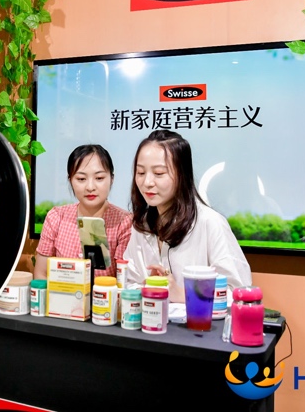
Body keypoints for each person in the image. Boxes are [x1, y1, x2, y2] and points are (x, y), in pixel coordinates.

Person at [123, 130, 251, 303]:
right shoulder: (142, 225)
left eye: (159, 173)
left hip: (199, 321)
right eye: (140, 173)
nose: (147, 182)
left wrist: (183, 295)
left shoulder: (210, 223)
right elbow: (128, 282)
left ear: (182, 174)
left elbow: (238, 292)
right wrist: (146, 288)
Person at [34, 144, 132, 279]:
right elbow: (41, 274)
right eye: (81, 179)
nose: (90, 187)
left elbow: (125, 280)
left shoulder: (124, 222)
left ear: (111, 179)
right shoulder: (56, 217)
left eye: (99, 178)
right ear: (70, 181)